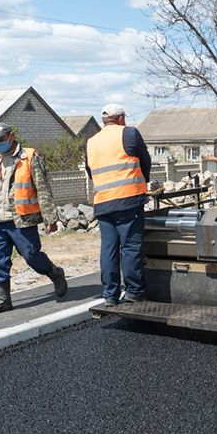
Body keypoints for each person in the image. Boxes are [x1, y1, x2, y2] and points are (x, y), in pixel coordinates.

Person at [0, 123, 66, 316]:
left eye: (0, 140)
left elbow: (42, 188)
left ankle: (55, 273)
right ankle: (2, 300)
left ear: (11, 136)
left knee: (32, 256)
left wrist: (50, 217)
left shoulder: (29, 156)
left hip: (22, 219)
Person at [85, 104, 152, 306]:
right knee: (131, 247)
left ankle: (110, 295)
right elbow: (145, 160)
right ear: (121, 118)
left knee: (109, 248)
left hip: (103, 202)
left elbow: (91, 172)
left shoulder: (91, 142)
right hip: (128, 200)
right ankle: (134, 291)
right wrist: (144, 180)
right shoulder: (129, 134)